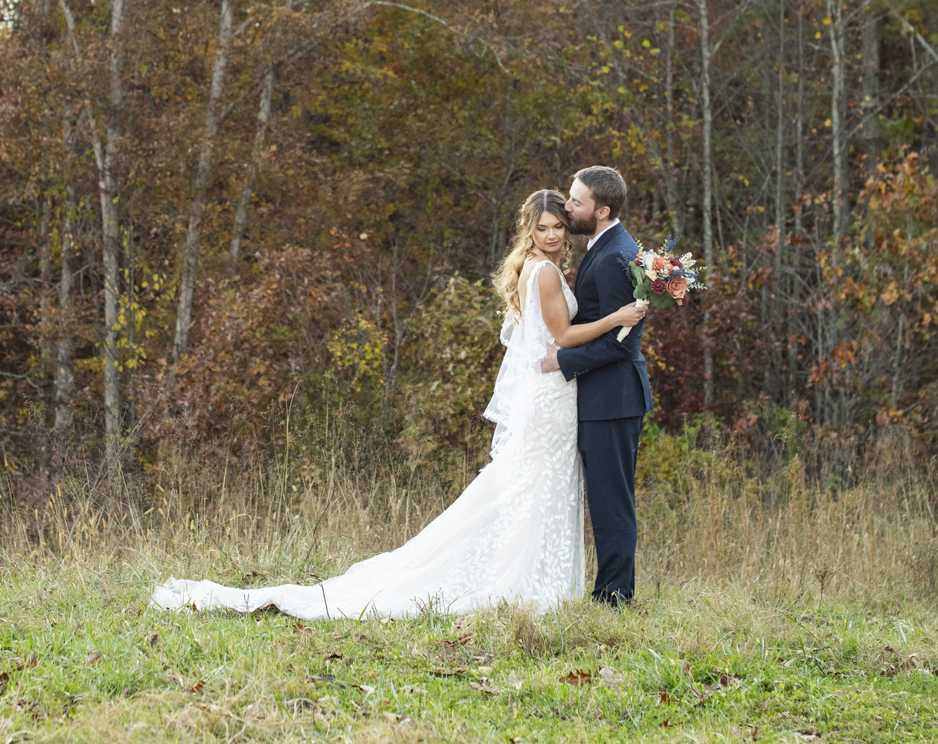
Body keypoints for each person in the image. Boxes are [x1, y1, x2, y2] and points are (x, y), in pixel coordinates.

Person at [151, 188, 649, 619]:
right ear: (529, 230)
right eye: (543, 228)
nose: (554, 235)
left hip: (555, 395)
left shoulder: (541, 269)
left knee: (537, 488)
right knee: (534, 488)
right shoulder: (542, 273)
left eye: (560, 226)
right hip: (550, 399)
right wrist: (618, 317)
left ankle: (541, 582)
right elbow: (562, 335)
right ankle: (525, 584)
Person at [538, 165, 651, 606]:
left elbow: (622, 344)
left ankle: (614, 597)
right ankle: (609, 591)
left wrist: (562, 359)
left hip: (614, 399)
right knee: (605, 500)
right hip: (603, 398)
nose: (567, 207)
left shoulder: (616, 257)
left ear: (601, 211)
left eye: (576, 202)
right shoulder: (602, 247)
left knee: (611, 502)